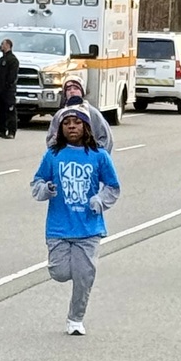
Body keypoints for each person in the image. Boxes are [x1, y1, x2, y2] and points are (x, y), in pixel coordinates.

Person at [31, 105, 120, 336]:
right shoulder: (53, 155)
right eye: (67, 123)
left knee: (84, 276)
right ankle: (73, 267)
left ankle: (75, 319)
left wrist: (99, 201)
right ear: (61, 128)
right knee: (59, 273)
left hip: (89, 228)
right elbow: (37, 182)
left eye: (77, 122)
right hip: (59, 227)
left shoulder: (99, 156)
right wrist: (46, 189)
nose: (72, 126)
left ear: (86, 127)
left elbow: (112, 186)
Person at [45, 77, 113, 153]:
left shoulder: (93, 112)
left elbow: (106, 139)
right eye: (68, 89)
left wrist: (95, 154)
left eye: (76, 88)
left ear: (82, 91)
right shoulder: (59, 114)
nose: (72, 91)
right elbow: (51, 139)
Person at [0, 38, 19, 139]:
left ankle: (11, 131)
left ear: (8, 45)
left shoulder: (13, 60)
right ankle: (1, 130)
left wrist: (7, 87)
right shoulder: (1, 60)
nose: (1, 46)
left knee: (10, 111)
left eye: (2, 44)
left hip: (8, 92)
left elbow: (12, 77)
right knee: (0, 111)